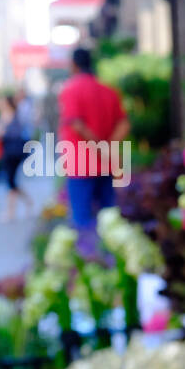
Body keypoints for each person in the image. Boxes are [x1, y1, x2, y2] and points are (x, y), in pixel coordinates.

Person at [58, 47, 128, 238]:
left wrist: (99, 145)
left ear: (73, 65)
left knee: (82, 221)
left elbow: (77, 124)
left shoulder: (71, 90)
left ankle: (91, 259)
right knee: (110, 219)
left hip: (80, 165)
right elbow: (124, 124)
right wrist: (107, 147)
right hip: (105, 163)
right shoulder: (108, 91)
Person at [0, 94, 34, 222]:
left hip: (12, 153)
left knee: (10, 181)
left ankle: (11, 212)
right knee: (11, 181)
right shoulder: (7, 115)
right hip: (9, 152)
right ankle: (27, 201)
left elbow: (6, 133)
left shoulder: (11, 115)